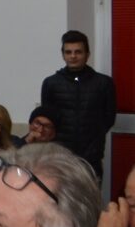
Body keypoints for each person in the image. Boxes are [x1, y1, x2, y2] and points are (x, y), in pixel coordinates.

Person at [40, 29, 117, 178]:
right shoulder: (51, 83)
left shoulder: (104, 83)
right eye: (68, 52)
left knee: (89, 199)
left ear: (87, 54)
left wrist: (94, 143)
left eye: (78, 52)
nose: (73, 56)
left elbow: (109, 118)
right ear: (63, 55)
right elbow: (47, 119)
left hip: (91, 158)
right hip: (60, 157)